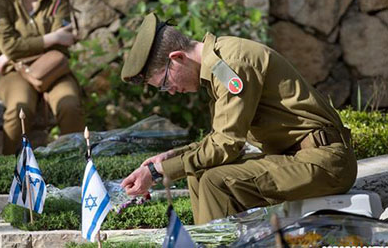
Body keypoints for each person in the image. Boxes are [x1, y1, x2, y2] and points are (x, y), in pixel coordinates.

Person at [120, 13, 357, 225]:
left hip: (325, 162)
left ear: (178, 57)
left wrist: (159, 172)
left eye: (165, 83)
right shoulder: (218, 65)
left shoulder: (231, 65)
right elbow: (219, 140)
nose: (171, 91)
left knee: (216, 181)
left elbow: (227, 145)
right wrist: (170, 157)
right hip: (298, 157)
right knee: (198, 173)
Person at [0, 0, 84, 155]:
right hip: (15, 74)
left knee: (70, 105)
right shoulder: (2, 4)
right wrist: (51, 38)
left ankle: (77, 165)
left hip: (54, 70)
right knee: (18, 108)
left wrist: (12, 56)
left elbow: (65, 43)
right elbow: (10, 45)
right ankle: (12, 167)